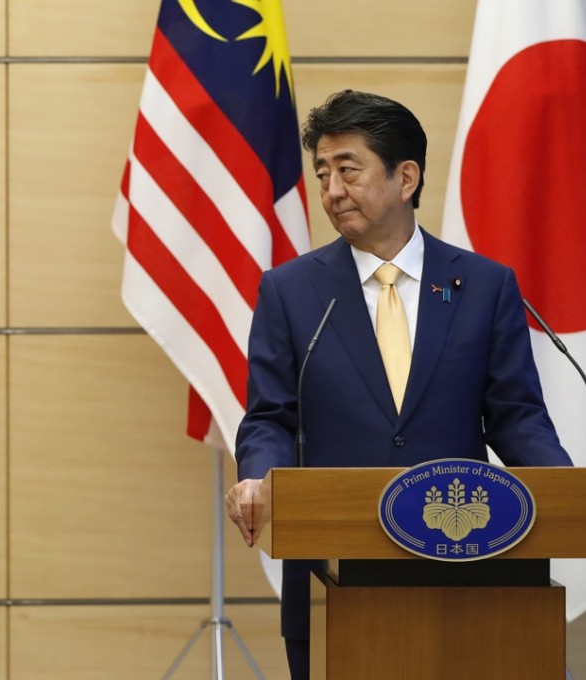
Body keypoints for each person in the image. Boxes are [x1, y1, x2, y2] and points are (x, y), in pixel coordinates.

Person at [223, 90, 572, 679]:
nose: (332, 191)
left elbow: (515, 416)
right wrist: (258, 477)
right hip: (334, 578)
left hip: (466, 569)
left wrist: (566, 491)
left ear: (405, 176)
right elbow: (271, 417)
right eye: (323, 173)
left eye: (349, 170)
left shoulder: (484, 286)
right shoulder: (290, 292)